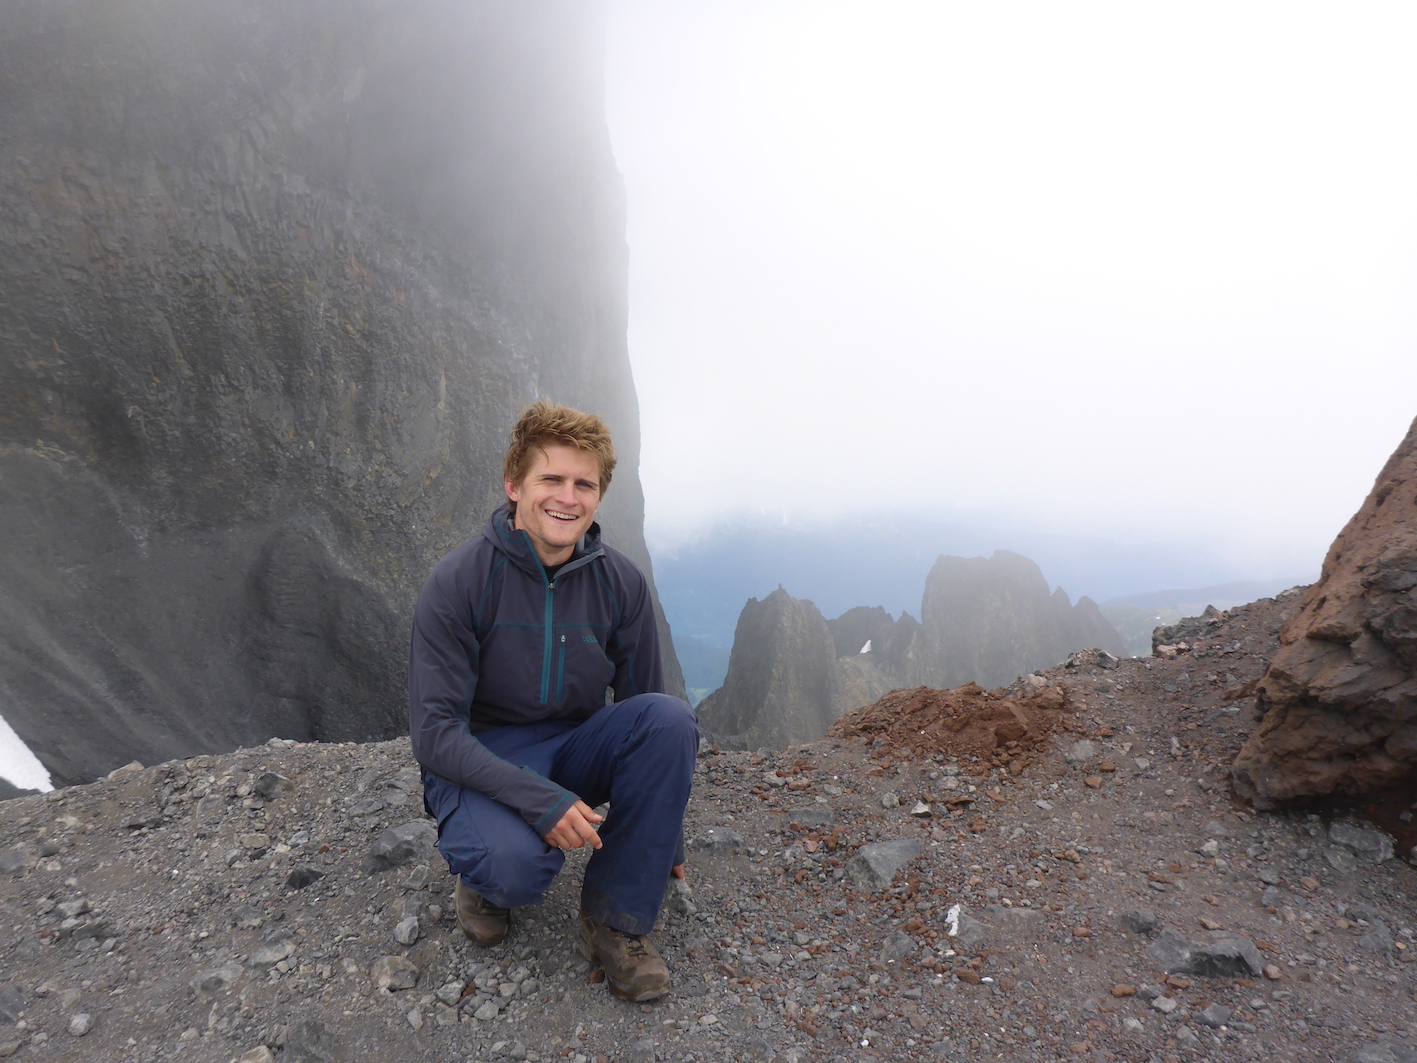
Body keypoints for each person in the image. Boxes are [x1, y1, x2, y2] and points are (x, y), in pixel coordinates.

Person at [408, 401, 698, 1002]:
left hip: (575, 746)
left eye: (583, 484)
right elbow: (435, 733)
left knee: (673, 717)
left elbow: (648, 710)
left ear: (597, 496)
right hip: (482, 758)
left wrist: (660, 837)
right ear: (514, 485)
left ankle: (616, 921)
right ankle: (484, 879)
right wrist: (542, 803)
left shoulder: (620, 583)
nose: (567, 497)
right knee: (513, 869)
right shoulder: (460, 581)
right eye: (551, 480)